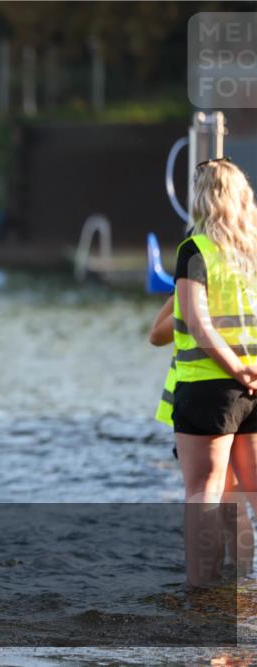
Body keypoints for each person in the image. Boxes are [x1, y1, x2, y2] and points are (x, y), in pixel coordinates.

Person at [171, 158, 257, 586]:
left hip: (210, 387)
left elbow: (197, 324)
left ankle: (202, 595)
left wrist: (235, 369)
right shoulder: (253, 251)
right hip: (255, 387)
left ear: (203, 197)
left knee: (202, 492)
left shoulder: (196, 249)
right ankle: (241, 585)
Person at [149, 295, 253, 576]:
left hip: (205, 405)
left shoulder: (198, 302)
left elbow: (156, 334)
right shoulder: (246, 296)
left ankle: (211, 587)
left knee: (210, 498)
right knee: (237, 504)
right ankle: (241, 578)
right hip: (249, 398)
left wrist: (177, 293)